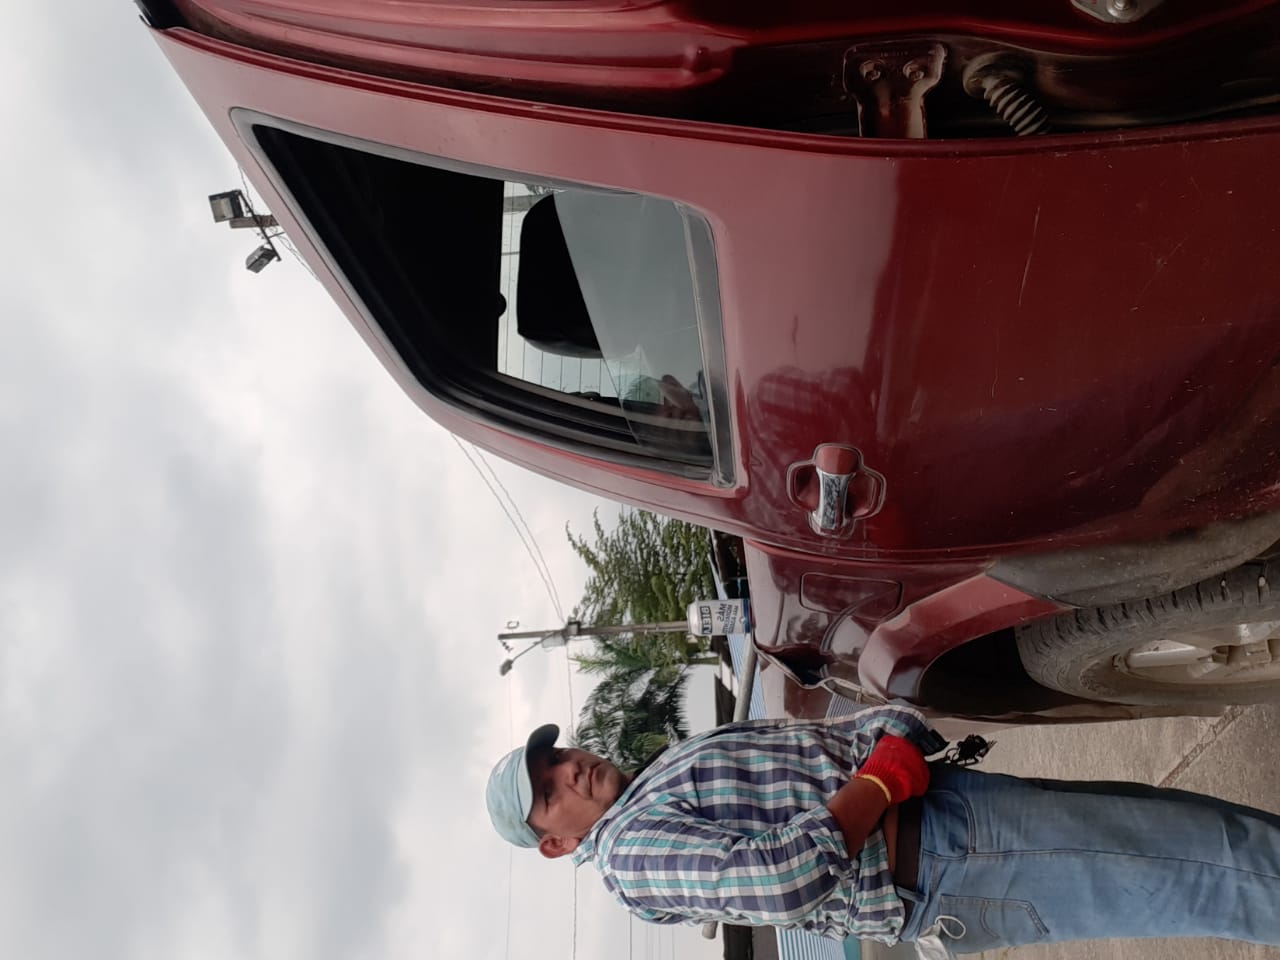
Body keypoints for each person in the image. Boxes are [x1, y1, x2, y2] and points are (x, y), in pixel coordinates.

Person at [485, 705, 1280, 954]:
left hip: (950, 822)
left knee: (1197, 832)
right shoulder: (629, 854)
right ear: (557, 843)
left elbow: (804, 750)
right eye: (549, 792)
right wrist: (876, 783)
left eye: (558, 757)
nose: (570, 770)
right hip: (948, 861)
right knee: (1213, 866)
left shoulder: (653, 780)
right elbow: (777, 882)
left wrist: (885, 728)